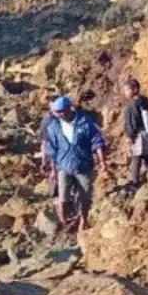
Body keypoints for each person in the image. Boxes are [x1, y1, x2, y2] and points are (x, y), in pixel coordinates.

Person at [41, 96, 109, 232]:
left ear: (69, 108)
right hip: (64, 166)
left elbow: (97, 142)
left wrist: (102, 162)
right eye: (57, 111)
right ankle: (63, 222)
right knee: (63, 197)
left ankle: (83, 220)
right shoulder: (53, 126)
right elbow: (51, 149)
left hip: (83, 165)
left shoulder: (84, 122)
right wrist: (53, 170)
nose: (60, 114)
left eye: (62, 111)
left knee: (85, 197)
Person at [122, 79, 148, 189]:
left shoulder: (132, 104)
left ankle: (135, 182)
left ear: (135, 89)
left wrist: (130, 136)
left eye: (127, 90)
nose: (125, 93)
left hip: (139, 135)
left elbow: (132, 123)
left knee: (136, 158)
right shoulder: (145, 100)